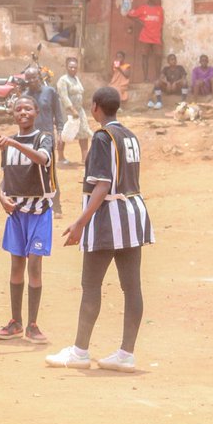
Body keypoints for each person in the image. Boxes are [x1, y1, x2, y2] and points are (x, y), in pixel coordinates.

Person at [46, 87, 153, 372]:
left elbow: (103, 184)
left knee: (91, 285)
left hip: (109, 218)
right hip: (133, 214)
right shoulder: (130, 136)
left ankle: (80, 351)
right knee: (132, 287)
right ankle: (126, 353)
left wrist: (80, 222)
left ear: (95, 108)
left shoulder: (103, 138)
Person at [0, 95, 54, 345]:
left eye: (28, 108)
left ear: (36, 112)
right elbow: (5, 177)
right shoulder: (8, 143)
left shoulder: (44, 138)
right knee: (16, 266)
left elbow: (42, 159)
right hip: (16, 212)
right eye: (18, 109)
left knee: (35, 267)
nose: (23, 112)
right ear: (13, 113)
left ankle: (33, 324)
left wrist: (14, 143)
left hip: (39, 212)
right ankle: (16, 322)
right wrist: (1, 197)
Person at [23, 65, 64, 217]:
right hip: (31, 139)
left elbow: (58, 114)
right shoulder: (26, 96)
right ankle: (35, 206)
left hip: (47, 138)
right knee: (31, 172)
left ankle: (57, 206)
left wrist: (59, 133)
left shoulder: (50, 92)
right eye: (29, 79)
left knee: (50, 173)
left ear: (39, 77)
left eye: (34, 77)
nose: (32, 81)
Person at [55, 57, 92, 166]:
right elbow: (64, 97)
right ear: (66, 67)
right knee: (64, 134)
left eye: (75, 67)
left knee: (84, 132)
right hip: (67, 111)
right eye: (71, 67)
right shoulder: (63, 80)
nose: (73, 69)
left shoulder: (76, 79)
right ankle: (61, 158)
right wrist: (72, 110)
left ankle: (85, 159)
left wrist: (79, 109)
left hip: (79, 111)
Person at [127, 0, 164, 82]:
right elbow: (129, 15)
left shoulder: (160, 9)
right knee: (145, 57)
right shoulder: (143, 8)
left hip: (156, 37)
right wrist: (140, 22)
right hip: (145, 37)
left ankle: (157, 78)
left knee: (158, 57)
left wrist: (161, 36)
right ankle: (145, 78)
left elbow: (161, 24)